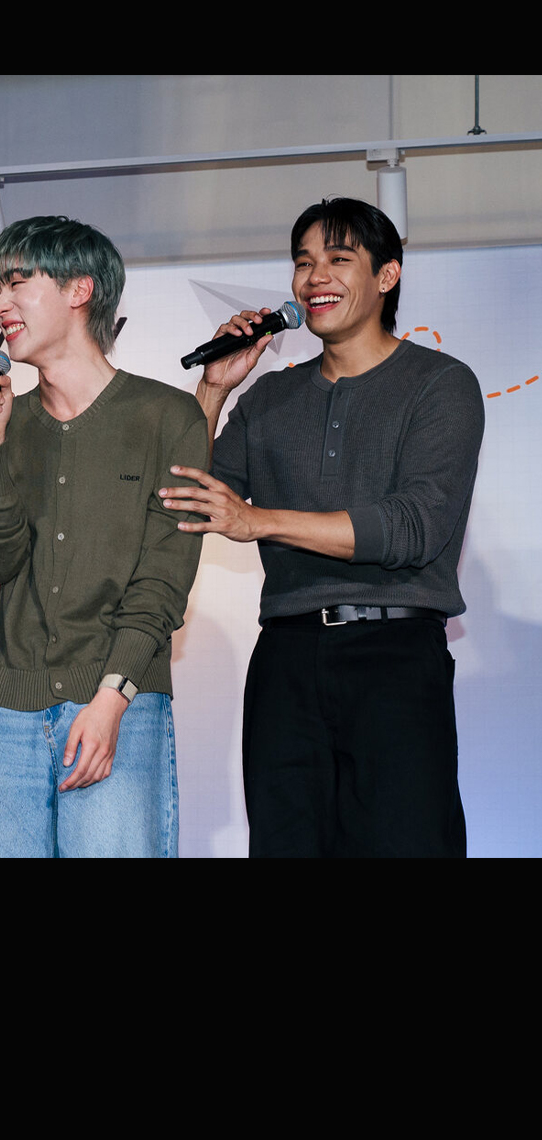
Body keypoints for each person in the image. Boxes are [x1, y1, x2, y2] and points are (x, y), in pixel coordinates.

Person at [161, 196, 485, 858]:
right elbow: (184, 500)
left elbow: (414, 527)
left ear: (387, 275)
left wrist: (259, 521)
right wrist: (215, 389)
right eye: (303, 262)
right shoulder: (270, 397)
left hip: (396, 656)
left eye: (339, 259)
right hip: (286, 658)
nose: (315, 278)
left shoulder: (440, 384)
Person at [0, 215, 207, 858]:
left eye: (17, 282)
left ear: (79, 289)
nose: (0, 303)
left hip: (118, 701)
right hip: (8, 709)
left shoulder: (166, 415)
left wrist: (111, 700)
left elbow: (162, 581)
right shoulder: (6, 421)